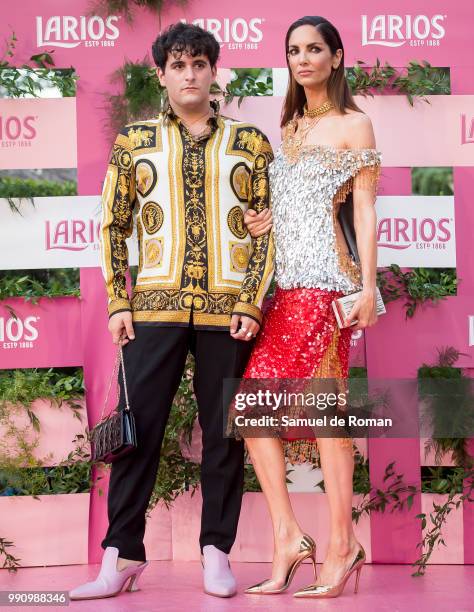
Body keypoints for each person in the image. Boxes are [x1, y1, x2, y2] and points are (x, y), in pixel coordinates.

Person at [69, 22, 274, 600]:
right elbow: (111, 223)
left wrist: (252, 304)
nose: (189, 74)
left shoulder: (250, 143)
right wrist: (117, 301)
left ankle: (217, 552)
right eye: (178, 65)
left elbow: (267, 232)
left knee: (224, 435)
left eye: (199, 64)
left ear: (214, 72)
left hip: (227, 310)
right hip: (153, 308)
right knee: (137, 435)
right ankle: (122, 554)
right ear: (161, 75)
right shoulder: (133, 142)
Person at [230, 15, 382, 599]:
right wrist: (264, 219)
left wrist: (367, 288)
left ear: (336, 57)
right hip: (286, 288)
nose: (303, 58)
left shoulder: (354, 123)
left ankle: (341, 545)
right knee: (255, 410)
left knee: (324, 414)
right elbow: (290, 207)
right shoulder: (288, 126)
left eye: (315, 48)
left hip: (329, 287)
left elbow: (363, 210)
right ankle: (290, 534)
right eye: (294, 50)